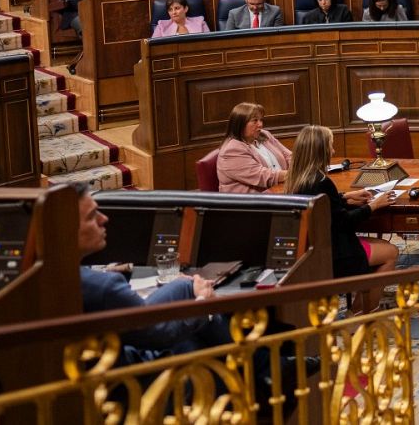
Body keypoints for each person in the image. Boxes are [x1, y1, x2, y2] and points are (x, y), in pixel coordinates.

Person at [76, 185, 230, 361]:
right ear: (63, 232)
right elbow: (159, 334)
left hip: (103, 357)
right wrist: (202, 304)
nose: (103, 219)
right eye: (91, 216)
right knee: (195, 335)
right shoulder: (104, 287)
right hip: (133, 375)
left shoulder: (55, 275)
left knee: (184, 286)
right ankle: (252, 366)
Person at [285, 125, 397, 312]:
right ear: (321, 150)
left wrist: (346, 197)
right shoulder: (322, 181)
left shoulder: (299, 179)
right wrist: (374, 205)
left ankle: (359, 306)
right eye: (330, 145)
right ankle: (360, 314)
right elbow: (344, 222)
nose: (333, 150)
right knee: (391, 252)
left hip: (311, 249)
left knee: (380, 248)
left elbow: (325, 205)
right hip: (335, 254)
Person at [215, 101, 292, 192]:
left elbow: (288, 154)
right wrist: (294, 175)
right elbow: (263, 176)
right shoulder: (231, 150)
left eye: (260, 120)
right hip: (251, 201)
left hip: (280, 189)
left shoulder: (264, 135)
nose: (260, 124)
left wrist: (299, 168)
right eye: (255, 120)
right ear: (240, 124)